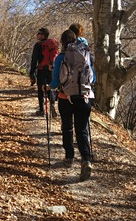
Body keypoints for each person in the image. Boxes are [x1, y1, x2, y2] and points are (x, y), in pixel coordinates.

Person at [50, 29, 94, 181]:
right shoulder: (86, 56)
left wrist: (50, 87)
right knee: (82, 129)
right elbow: (92, 79)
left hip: (65, 98)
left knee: (67, 127)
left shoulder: (61, 58)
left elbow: (55, 82)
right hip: (84, 98)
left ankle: (69, 157)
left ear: (62, 42)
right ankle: (86, 159)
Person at [29, 27, 58, 117]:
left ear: (43, 35)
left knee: (40, 90)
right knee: (49, 88)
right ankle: (52, 105)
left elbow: (34, 60)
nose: (37, 35)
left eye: (39, 33)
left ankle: (42, 110)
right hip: (51, 70)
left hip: (41, 70)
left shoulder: (38, 45)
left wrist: (32, 73)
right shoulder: (52, 45)